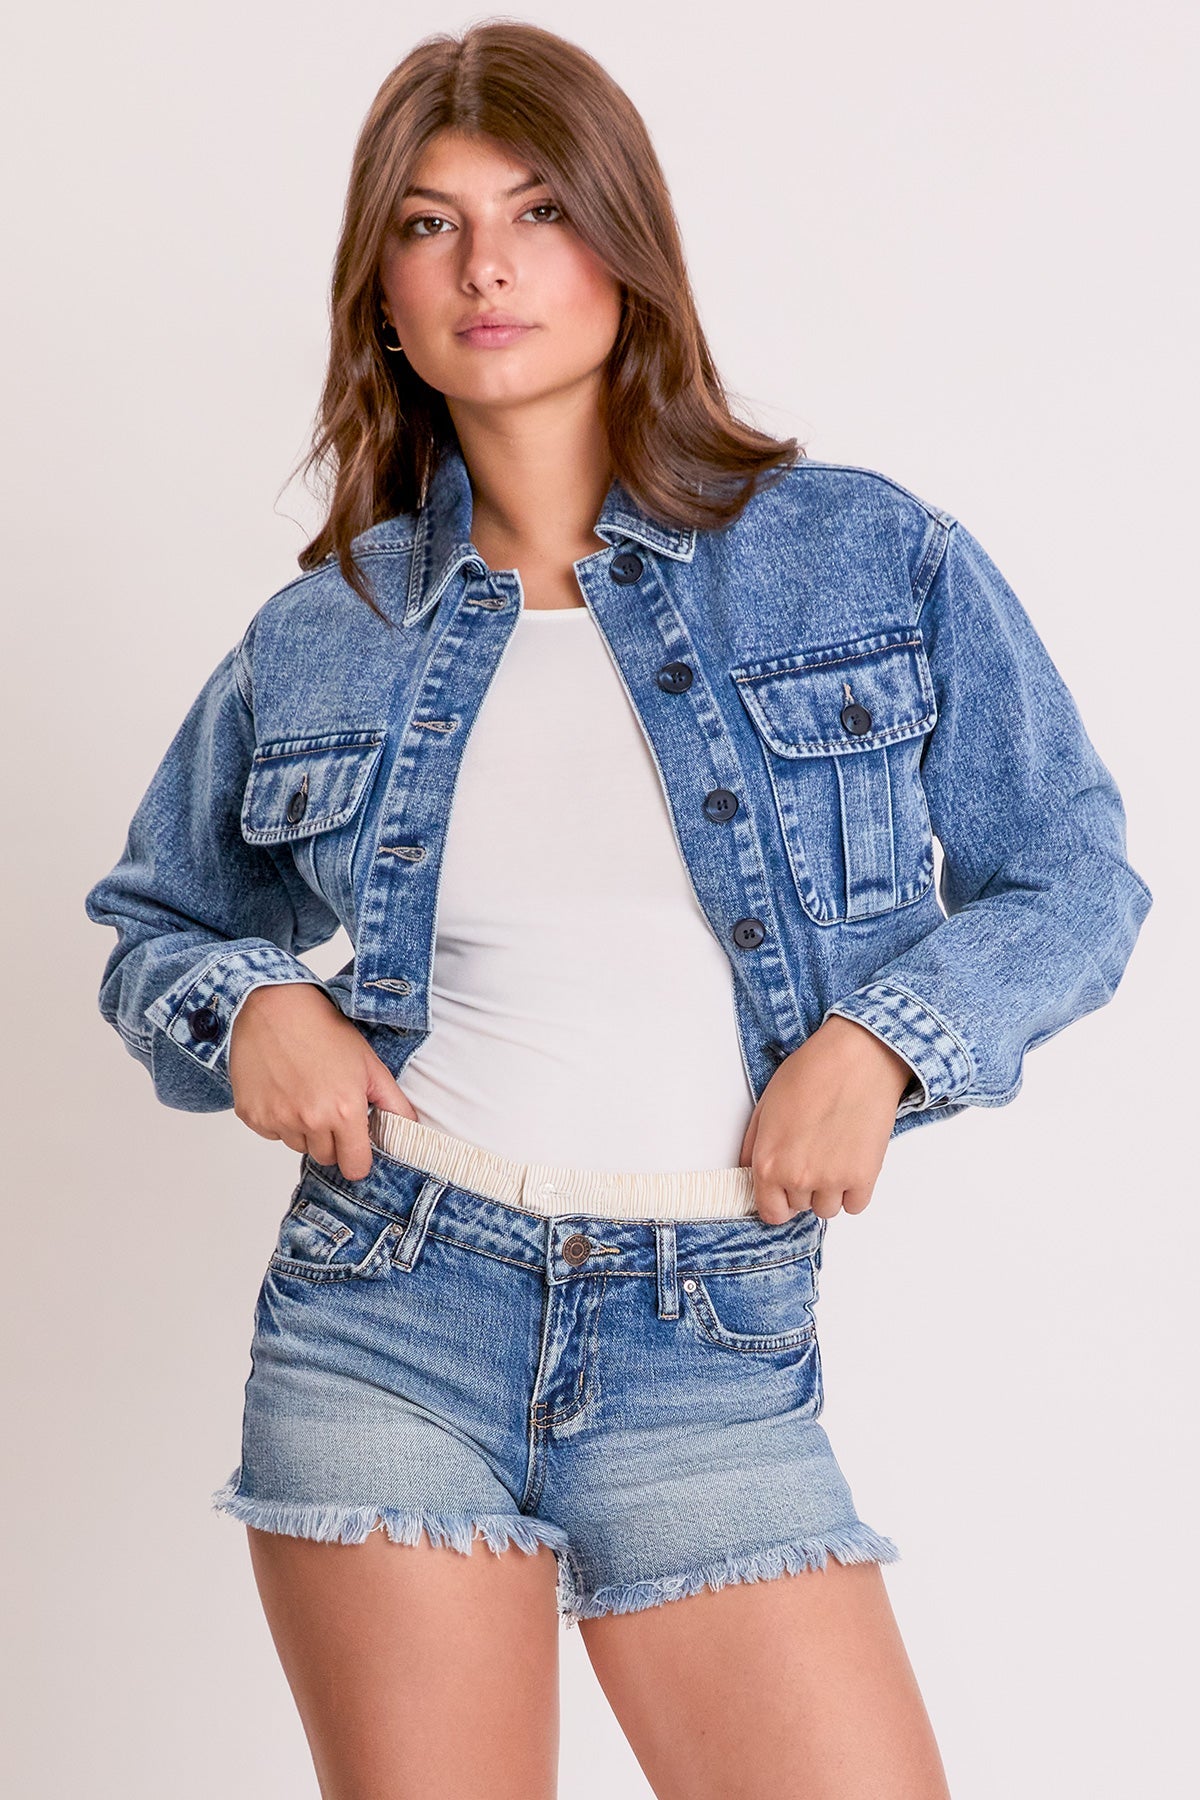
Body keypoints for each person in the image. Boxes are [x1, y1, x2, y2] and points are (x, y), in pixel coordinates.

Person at [82, 21, 1153, 1800]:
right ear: (383, 298)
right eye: (429, 226)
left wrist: (885, 1045)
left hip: (713, 1347)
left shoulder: (857, 554)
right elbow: (156, 919)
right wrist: (251, 1005)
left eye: (539, 210)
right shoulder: (327, 631)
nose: (485, 266)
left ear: (627, 248)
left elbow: (1073, 871)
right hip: (389, 1314)